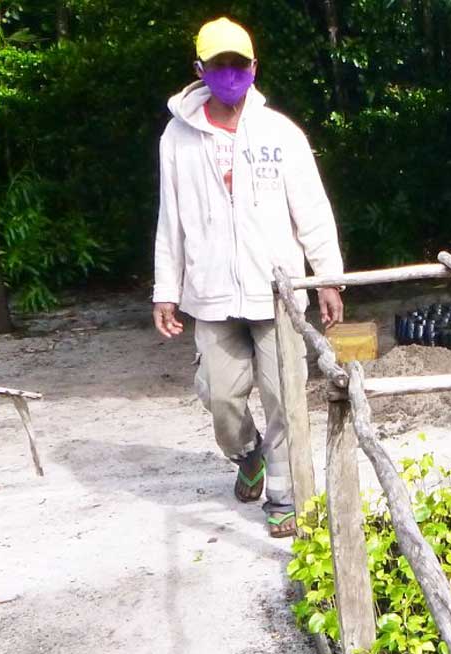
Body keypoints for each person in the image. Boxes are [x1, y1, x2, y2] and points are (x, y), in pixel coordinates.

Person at [151, 17, 345, 538]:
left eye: (239, 64)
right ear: (201, 70)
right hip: (211, 293)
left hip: (277, 291)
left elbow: (312, 208)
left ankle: (283, 495)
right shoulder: (179, 137)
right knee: (220, 395)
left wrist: (327, 277)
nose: (230, 73)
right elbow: (171, 217)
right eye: (220, 65)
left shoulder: (280, 134)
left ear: (254, 68)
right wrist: (165, 290)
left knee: (286, 395)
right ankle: (247, 454)